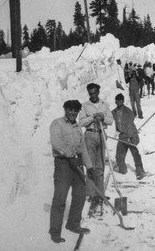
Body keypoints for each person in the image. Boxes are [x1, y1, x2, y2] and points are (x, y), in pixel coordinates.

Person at [49, 100, 95, 243]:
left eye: (75, 111)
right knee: (60, 198)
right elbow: (57, 144)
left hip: (77, 164)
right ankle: (55, 231)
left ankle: (73, 224)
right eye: (70, 110)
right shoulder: (57, 124)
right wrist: (70, 156)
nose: (73, 113)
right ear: (65, 110)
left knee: (80, 196)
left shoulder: (77, 127)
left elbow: (83, 149)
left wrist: (89, 166)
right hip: (63, 165)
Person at [78, 83, 114, 217]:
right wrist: (93, 117)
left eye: (94, 93)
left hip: (101, 135)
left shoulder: (104, 104)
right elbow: (81, 122)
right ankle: (90, 193)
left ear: (98, 92)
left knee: (100, 166)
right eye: (90, 93)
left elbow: (110, 121)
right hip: (90, 135)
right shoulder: (85, 105)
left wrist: (103, 117)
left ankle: (100, 193)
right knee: (91, 165)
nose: (92, 95)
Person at [111, 93, 146, 179]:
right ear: (115, 101)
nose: (119, 102)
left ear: (123, 101)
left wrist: (130, 138)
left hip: (131, 135)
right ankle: (123, 170)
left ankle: (140, 171)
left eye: (120, 100)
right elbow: (108, 118)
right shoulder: (114, 112)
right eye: (117, 100)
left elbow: (130, 124)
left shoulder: (128, 111)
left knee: (135, 154)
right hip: (122, 136)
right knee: (119, 156)